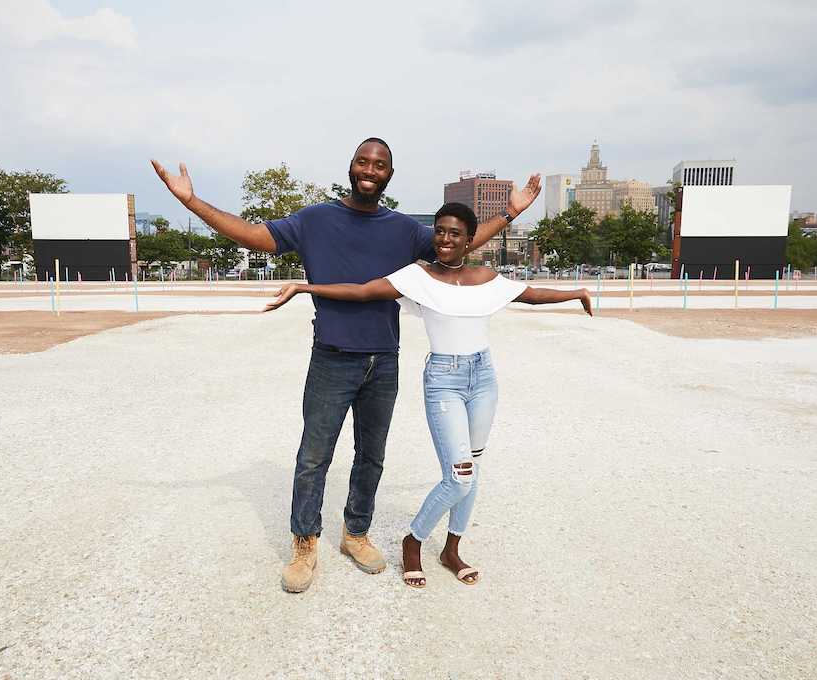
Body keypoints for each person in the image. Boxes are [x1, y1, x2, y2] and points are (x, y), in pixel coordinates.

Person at [151, 139, 542, 593]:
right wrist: (191, 201)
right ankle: (304, 543)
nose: (370, 170)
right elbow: (254, 235)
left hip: (384, 361)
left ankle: (355, 534)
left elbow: (457, 242)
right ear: (351, 167)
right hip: (332, 357)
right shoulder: (315, 220)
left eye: (380, 165)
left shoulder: (403, 230)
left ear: (389, 175)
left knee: (371, 457)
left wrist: (509, 214)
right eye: (363, 161)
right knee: (313, 457)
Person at [264, 202, 592, 588]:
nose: (445, 239)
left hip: (483, 377)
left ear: (470, 241)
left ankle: (452, 548)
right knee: (460, 473)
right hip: (443, 377)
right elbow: (363, 291)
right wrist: (306, 286)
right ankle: (412, 540)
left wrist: (577, 292)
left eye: (455, 234)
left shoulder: (486, 276)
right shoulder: (417, 277)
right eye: (439, 231)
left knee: (472, 469)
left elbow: (531, 294)